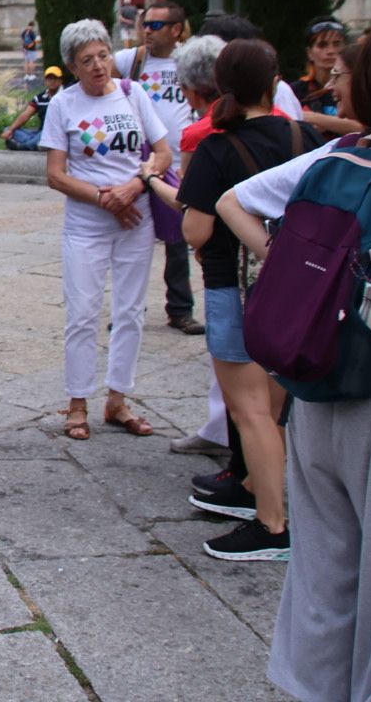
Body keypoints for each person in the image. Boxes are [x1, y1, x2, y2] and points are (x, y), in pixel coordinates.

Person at [218, 15, 371, 700]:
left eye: (348, 69)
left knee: (323, 564)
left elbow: (235, 202)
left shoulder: (336, 160)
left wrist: (307, 284)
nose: (333, 77)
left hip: (318, 381)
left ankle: (309, 689)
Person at [149, 39, 322, 562]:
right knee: (274, 404)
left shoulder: (219, 150)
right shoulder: (305, 136)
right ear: (274, 84)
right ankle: (252, 490)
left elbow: (196, 230)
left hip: (237, 288)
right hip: (297, 286)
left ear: (221, 88)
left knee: (249, 411)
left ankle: (273, 524)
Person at [39, 18, 170, 440]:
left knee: (131, 310)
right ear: (73, 67)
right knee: (82, 312)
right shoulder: (64, 105)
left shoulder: (133, 94)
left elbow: (165, 153)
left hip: (136, 216)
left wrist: (134, 186)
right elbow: (56, 175)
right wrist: (104, 198)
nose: (98, 66)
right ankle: (77, 401)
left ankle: (118, 399)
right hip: (88, 224)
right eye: (86, 60)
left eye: (103, 56)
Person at [159, 36, 237, 459]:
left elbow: (191, 211)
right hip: (270, 253)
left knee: (228, 354)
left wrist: (152, 180)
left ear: (191, 88)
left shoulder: (200, 134)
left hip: (224, 258)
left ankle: (227, 434)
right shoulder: (280, 120)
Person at [113, 0, 201, 336]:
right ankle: (128, 308)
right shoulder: (131, 60)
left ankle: (180, 309)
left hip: (177, 164)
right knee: (131, 242)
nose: (147, 30)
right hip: (135, 164)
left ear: (176, 30)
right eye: (144, 24)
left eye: (155, 25)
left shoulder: (187, 60)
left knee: (178, 241)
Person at [292, 16, 360, 138]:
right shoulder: (295, 91)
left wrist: (317, 119)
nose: (330, 51)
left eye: (337, 44)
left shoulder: (354, 88)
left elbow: (364, 128)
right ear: (309, 53)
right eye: (322, 45)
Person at [2, 67, 64, 151]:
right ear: (45, 81)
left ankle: (22, 147)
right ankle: (35, 145)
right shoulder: (40, 97)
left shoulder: (66, 96)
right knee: (8, 129)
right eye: (49, 78)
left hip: (56, 133)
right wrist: (10, 130)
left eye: (55, 78)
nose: (52, 81)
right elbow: (25, 115)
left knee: (46, 133)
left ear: (60, 80)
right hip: (40, 133)